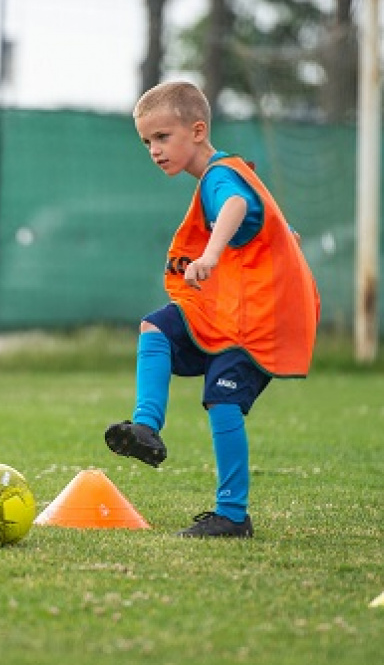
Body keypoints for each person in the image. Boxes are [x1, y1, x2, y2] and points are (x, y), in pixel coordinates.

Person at [104, 81, 319, 538]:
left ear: (197, 130)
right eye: (147, 142)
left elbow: (237, 205)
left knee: (222, 397)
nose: (154, 150)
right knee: (157, 327)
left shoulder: (221, 177)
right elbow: (264, 220)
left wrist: (211, 255)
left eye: (163, 137)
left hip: (260, 321)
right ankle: (145, 429)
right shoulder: (222, 177)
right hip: (229, 314)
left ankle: (233, 516)